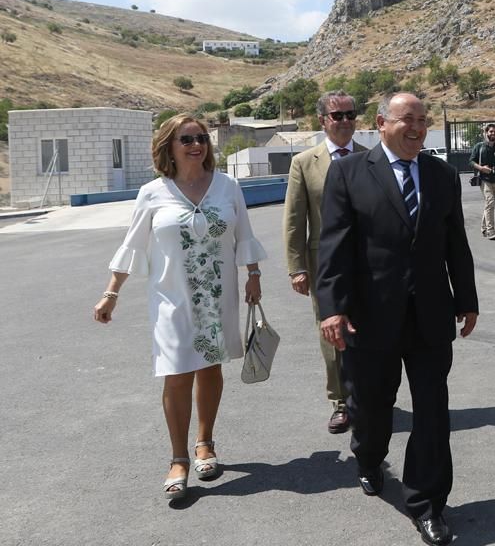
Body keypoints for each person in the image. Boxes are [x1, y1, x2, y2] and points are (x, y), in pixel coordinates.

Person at [316, 92, 477, 546]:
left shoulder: (442, 174)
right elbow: (334, 246)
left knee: (431, 412)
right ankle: (368, 457)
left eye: (423, 121)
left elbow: (455, 244)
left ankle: (427, 503)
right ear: (381, 123)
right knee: (370, 406)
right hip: (370, 316)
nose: (417, 128)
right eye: (408, 119)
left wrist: (466, 299)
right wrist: (333, 307)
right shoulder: (348, 172)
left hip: (429, 315)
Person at [94, 114, 267, 502]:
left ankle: (205, 444)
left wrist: (253, 275)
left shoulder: (227, 187)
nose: (196, 145)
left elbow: (245, 235)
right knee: (175, 374)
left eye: (201, 138)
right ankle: (178, 459)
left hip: (217, 295)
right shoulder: (153, 192)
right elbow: (133, 246)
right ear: (169, 146)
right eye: (187, 138)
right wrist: (111, 293)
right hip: (171, 300)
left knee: (209, 367)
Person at [282, 90, 365, 434]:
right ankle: (340, 401)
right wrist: (296, 267)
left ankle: (367, 393)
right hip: (323, 263)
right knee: (331, 329)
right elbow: (293, 218)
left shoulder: (370, 157)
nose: (345, 122)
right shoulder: (304, 162)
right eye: (337, 116)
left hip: (367, 262)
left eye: (350, 115)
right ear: (323, 121)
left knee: (369, 328)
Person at [470, 123, 495, 240]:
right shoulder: (479, 146)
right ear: (486, 133)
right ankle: (490, 231)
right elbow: (471, 161)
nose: (493, 133)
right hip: (484, 179)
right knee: (490, 202)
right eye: (491, 131)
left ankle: (483, 227)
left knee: (490, 204)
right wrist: (481, 168)